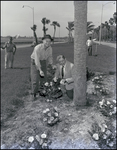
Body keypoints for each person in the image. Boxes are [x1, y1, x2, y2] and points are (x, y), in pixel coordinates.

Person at [30, 34, 54, 101]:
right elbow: (37, 60)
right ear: (43, 41)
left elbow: (50, 57)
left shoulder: (50, 48)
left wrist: (51, 65)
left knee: (44, 78)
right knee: (35, 79)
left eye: (49, 41)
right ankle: (33, 94)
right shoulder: (37, 48)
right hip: (34, 62)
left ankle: (42, 92)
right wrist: (40, 70)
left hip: (43, 61)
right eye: (46, 41)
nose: (48, 43)